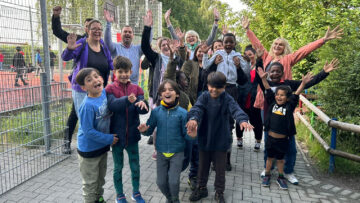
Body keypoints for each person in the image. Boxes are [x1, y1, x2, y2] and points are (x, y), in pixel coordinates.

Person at [257, 59, 339, 184]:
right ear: (268, 72)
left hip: (286, 128)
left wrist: (324, 72)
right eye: (272, 71)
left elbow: (305, 84)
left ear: (282, 73)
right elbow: (260, 75)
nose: (274, 73)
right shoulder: (266, 83)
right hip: (271, 125)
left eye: (277, 71)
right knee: (269, 150)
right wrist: (258, 60)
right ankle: (267, 169)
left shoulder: (289, 85)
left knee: (291, 150)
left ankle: (288, 172)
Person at [186, 72, 253, 203]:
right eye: (212, 86)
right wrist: (194, 119)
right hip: (205, 139)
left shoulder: (227, 98)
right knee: (202, 168)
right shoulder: (204, 97)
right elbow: (197, 109)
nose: (214, 90)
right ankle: (201, 188)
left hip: (221, 141)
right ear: (207, 85)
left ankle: (219, 192)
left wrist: (242, 119)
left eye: (218, 87)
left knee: (220, 170)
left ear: (224, 87)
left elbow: (236, 109)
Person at [138, 80, 196, 203]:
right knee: (160, 182)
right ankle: (170, 198)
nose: (167, 92)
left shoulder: (183, 113)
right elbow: (149, 130)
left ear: (177, 94)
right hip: (161, 152)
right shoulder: (156, 112)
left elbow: (187, 135)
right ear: (160, 95)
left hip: (177, 153)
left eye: (170, 89)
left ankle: (175, 200)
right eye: (164, 90)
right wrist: (143, 130)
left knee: (174, 181)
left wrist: (193, 135)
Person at [258, 68, 313, 189]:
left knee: (281, 160)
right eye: (277, 94)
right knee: (269, 157)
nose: (279, 97)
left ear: (287, 98)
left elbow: (296, 93)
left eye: (282, 95)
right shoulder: (272, 102)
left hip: (283, 139)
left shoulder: (290, 105)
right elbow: (267, 89)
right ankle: (267, 174)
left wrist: (303, 83)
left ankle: (281, 176)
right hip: (271, 138)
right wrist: (263, 79)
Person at [202, 33, 250, 171]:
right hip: (217, 89)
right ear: (222, 43)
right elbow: (205, 66)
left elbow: (246, 73)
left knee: (228, 125)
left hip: (232, 89)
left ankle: (226, 160)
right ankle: (213, 159)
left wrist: (244, 63)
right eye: (226, 42)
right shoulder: (218, 54)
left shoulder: (238, 56)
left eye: (231, 42)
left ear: (235, 43)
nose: (228, 44)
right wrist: (207, 55)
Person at [105, 56, 149, 203]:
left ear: (131, 72)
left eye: (126, 71)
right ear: (115, 72)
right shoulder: (109, 88)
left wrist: (144, 104)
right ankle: (119, 194)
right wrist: (126, 100)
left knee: (135, 166)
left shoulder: (136, 88)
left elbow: (142, 109)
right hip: (117, 137)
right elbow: (112, 105)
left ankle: (136, 192)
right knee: (118, 167)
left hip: (133, 136)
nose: (123, 74)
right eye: (120, 71)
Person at [51, 5, 93, 154]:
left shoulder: (100, 43)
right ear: (85, 29)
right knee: (75, 113)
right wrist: (56, 17)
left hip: (96, 86)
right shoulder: (79, 41)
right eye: (87, 27)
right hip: (80, 86)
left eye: (92, 26)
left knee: (96, 113)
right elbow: (58, 32)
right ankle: (66, 143)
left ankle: (94, 141)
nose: (90, 29)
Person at [74, 68, 118, 203]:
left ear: (102, 79)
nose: (95, 80)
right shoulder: (87, 105)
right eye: (89, 80)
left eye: (96, 76)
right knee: (90, 183)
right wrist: (109, 139)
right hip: (89, 150)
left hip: (101, 148)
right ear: (83, 87)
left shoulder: (105, 93)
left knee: (100, 178)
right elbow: (88, 131)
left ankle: (98, 198)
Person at [141, 10, 176, 160]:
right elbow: (145, 47)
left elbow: (179, 42)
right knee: (157, 124)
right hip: (158, 96)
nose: (165, 47)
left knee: (172, 125)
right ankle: (156, 148)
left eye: (168, 44)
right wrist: (147, 28)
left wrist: (169, 23)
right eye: (163, 45)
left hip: (174, 97)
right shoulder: (156, 58)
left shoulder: (178, 59)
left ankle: (172, 147)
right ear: (160, 47)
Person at [104, 9, 152, 84]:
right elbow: (107, 42)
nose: (127, 33)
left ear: (133, 35)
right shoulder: (115, 47)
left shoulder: (137, 49)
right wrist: (108, 24)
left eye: (130, 32)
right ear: (121, 34)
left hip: (133, 86)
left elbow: (147, 43)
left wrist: (149, 27)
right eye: (125, 32)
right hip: (117, 86)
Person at [236, 45, 263, 150]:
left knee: (256, 120)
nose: (248, 57)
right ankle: (239, 138)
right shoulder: (241, 66)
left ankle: (258, 140)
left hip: (254, 96)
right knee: (240, 118)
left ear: (255, 55)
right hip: (242, 96)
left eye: (250, 55)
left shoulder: (258, 66)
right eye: (246, 55)